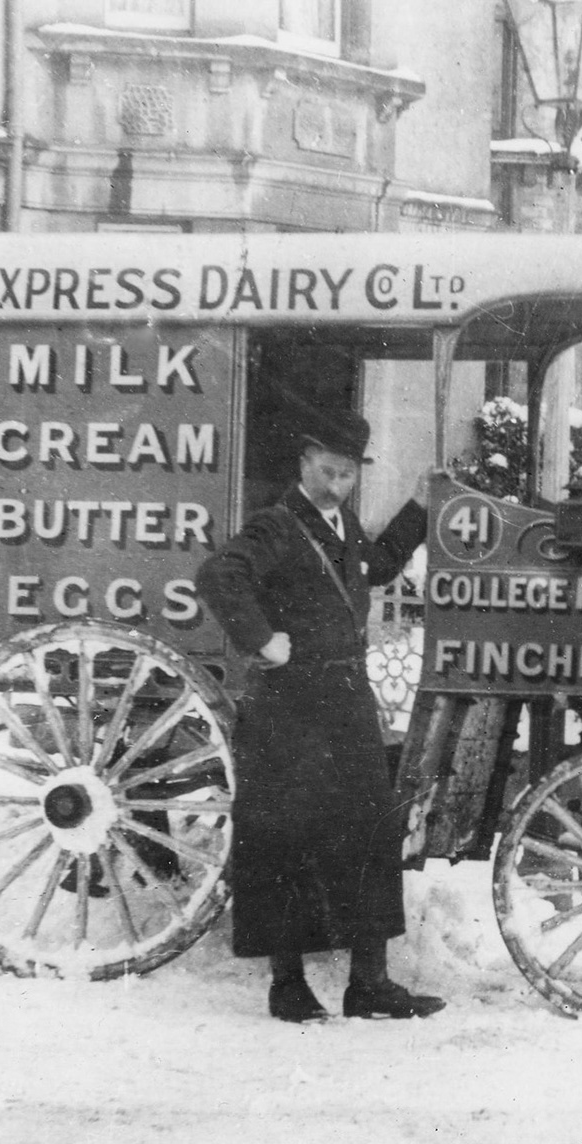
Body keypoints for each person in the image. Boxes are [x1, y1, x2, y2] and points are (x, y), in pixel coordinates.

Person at [195, 409, 445, 1022]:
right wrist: (261, 639)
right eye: (329, 472)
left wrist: (416, 505)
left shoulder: (339, 524)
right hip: (291, 707)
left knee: (368, 833)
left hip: (345, 702)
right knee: (288, 841)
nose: (338, 486)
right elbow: (218, 573)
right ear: (305, 462)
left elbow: (377, 566)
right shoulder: (278, 526)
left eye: (348, 476)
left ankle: (369, 984)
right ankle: (288, 986)